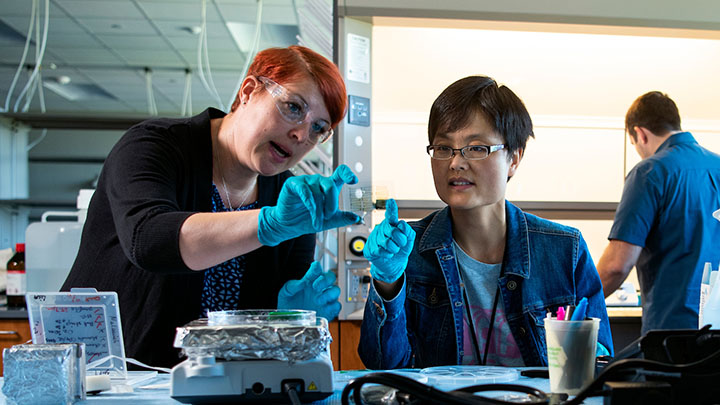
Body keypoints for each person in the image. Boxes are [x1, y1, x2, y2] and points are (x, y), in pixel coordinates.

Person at [62, 46, 361, 368]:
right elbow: (148, 241)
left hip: (221, 382)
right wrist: (268, 224)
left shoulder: (289, 198)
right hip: (110, 377)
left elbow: (274, 331)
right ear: (249, 91)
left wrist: (296, 319)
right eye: (293, 107)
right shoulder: (154, 145)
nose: (301, 134)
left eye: (319, 128)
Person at [358, 75, 613, 369]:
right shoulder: (408, 250)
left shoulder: (564, 251)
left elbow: (600, 364)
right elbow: (383, 366)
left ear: (514, 159)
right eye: (443, 148)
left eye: (476, 147)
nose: (456, 162)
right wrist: (387, 282)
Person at [597, 91, 720, 334]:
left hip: (672, 333)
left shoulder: (650, 172)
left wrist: (576, 304)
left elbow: (616, 266)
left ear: (640, 134)